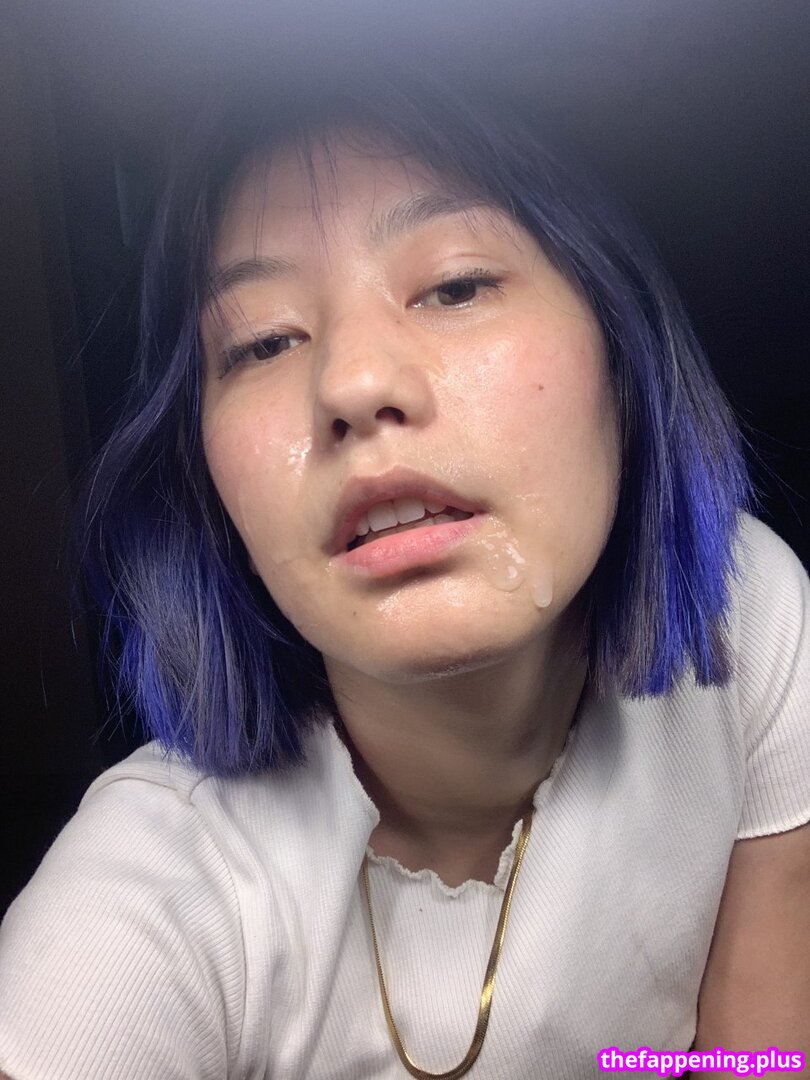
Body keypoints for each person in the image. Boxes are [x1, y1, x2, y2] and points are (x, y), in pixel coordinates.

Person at [0, 75, 808, 1080]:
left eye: (456, 286)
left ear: (620, 344)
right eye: (263, 342)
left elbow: (759, 1057)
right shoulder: (140, 912)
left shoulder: (747, 617)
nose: (351, 383)